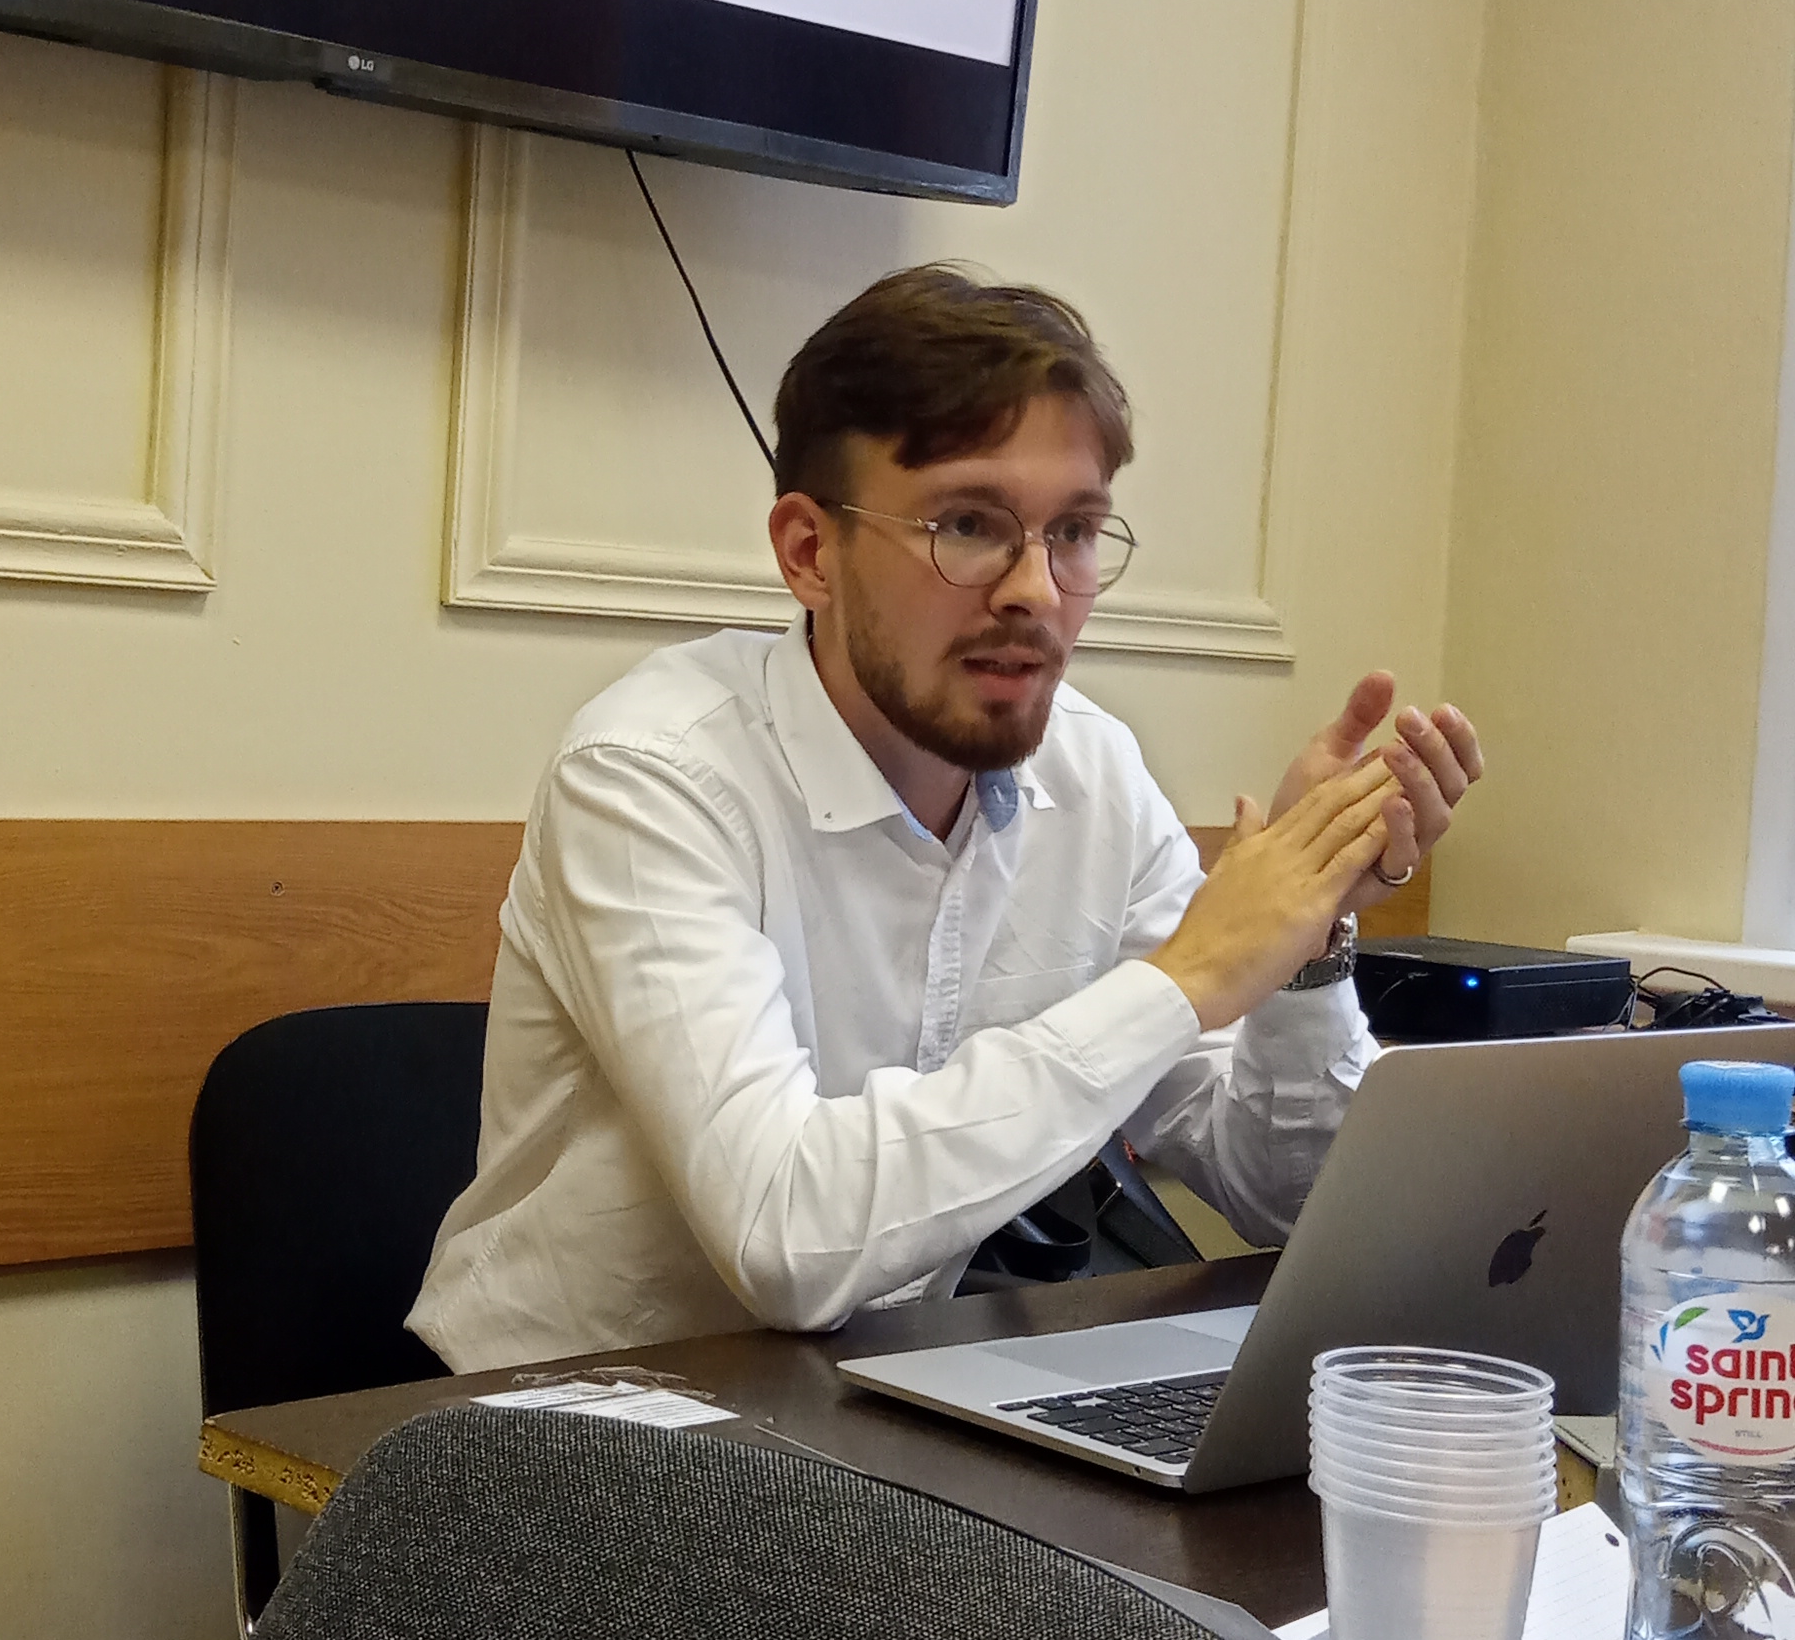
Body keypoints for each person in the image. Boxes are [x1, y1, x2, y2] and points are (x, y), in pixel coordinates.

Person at [413, 266, 1483, 1370]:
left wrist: (1305, 939)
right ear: (809, 552)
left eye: (1075, 531)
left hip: (878, 1397)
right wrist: (1189, 979)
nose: (1036, 589)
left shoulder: (1096, 775)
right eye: (970, 525)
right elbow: (785, 1235)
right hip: (559, 1421)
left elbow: (1284, 1199)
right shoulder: (649, 774)